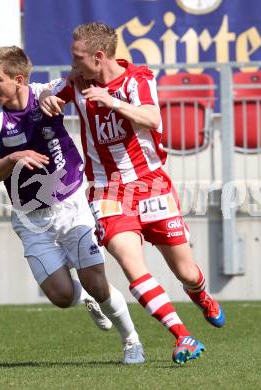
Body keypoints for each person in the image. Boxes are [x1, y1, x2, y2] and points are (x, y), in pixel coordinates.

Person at [39, 22, 226, 365]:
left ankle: (200, 295)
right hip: (106, 189)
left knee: (186, 272)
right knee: (131, 264)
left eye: (78, 57)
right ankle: (182, 336)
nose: (72, 63)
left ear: (99, 57)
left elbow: (153, 119)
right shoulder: (77, 80)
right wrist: (50, 100)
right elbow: (52, 96)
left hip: (150, 184)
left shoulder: (137, 79)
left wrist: (111, 101)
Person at [0, 45, 145, 364]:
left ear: (19, 79)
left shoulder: (45, 93)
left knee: (98, 282)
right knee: (62, 297)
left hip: (72, 205)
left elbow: (81, 80)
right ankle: (84, 298)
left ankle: (132, 340)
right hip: (30, 217)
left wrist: (58, 98)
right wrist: (13, 157)